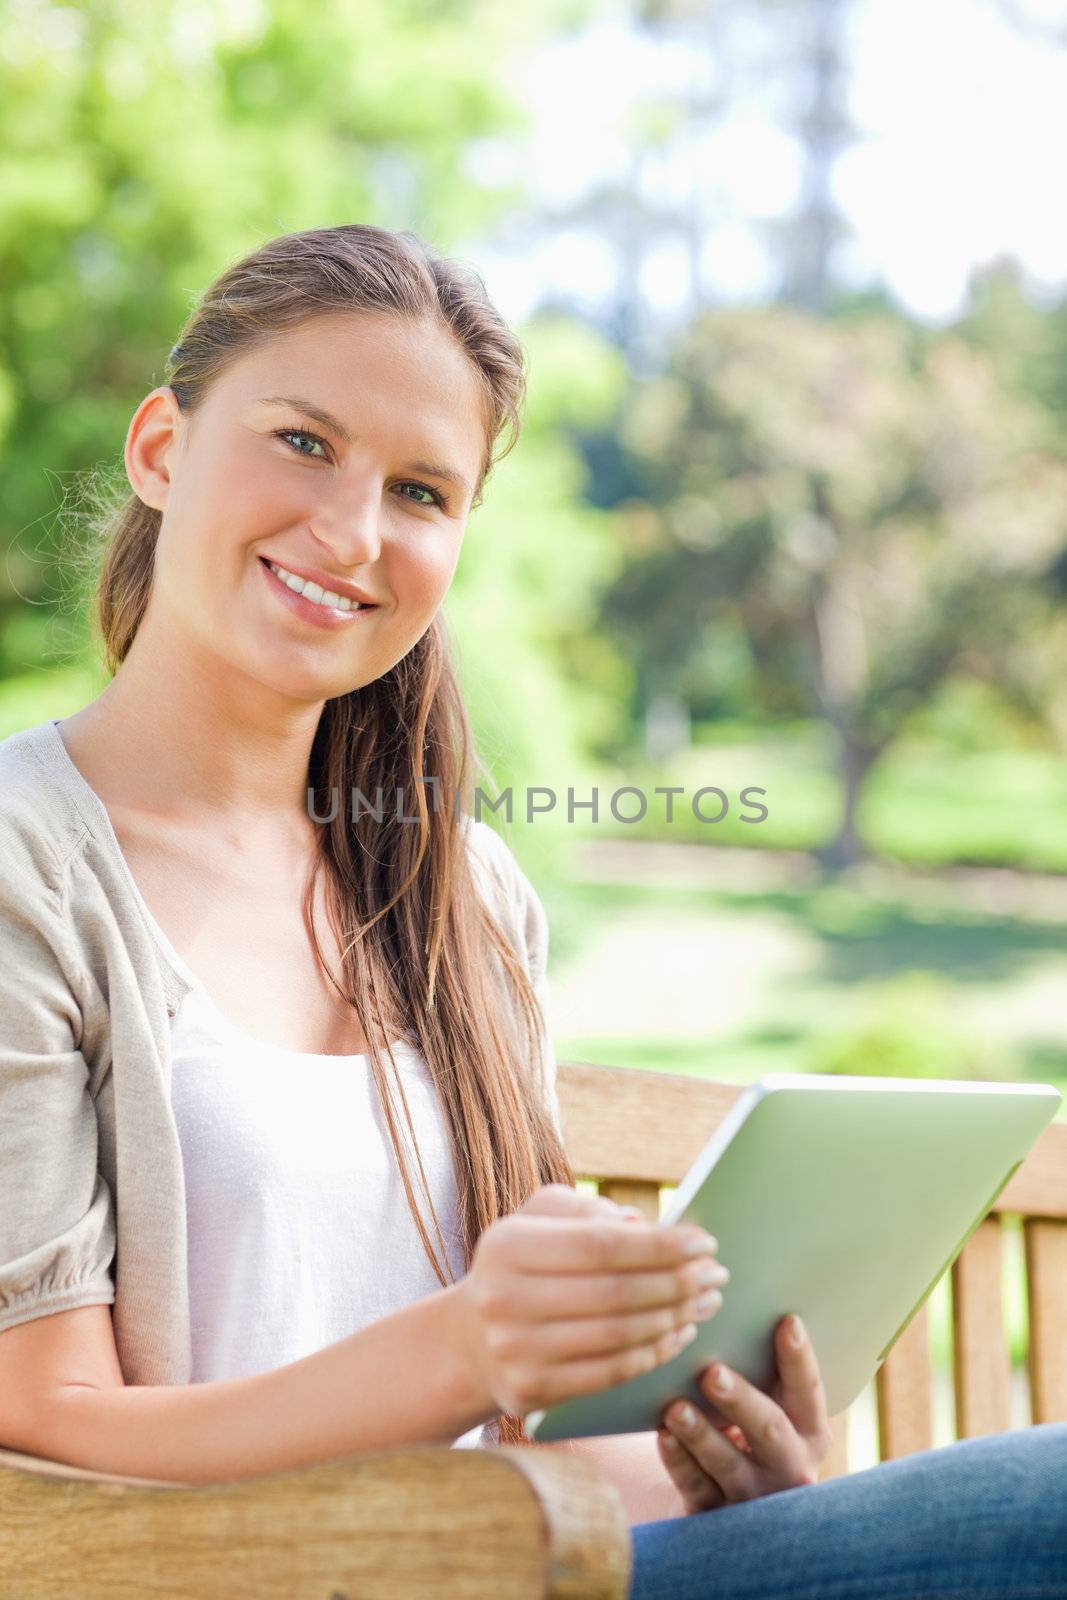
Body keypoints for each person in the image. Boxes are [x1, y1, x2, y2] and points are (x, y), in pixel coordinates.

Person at [0, 222, 1064, 1599]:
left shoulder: (464, 895)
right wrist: (467, 1344)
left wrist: (714, 1464)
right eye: (303, 442)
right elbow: (48, 1425)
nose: (352, 531)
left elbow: (509, 1447)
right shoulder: (31, 864)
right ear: (160, 449)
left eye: (423, 492)